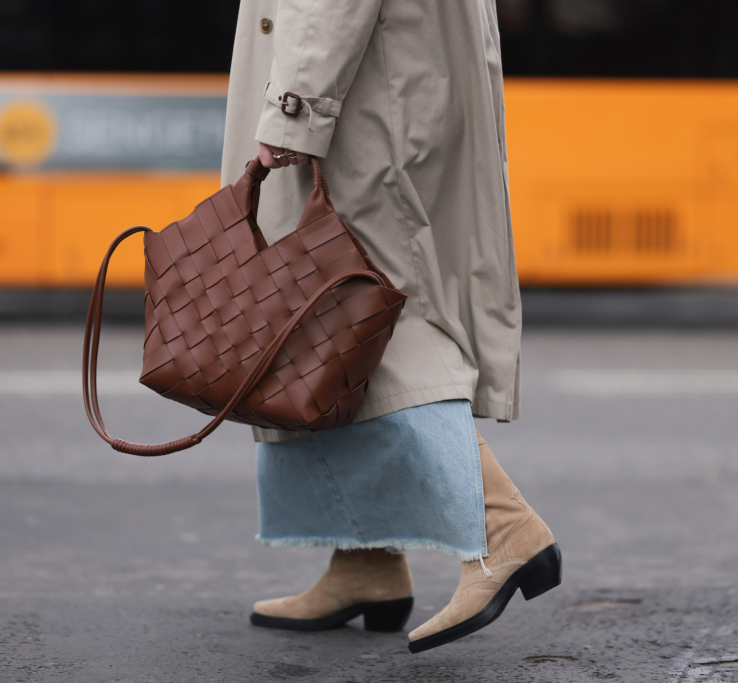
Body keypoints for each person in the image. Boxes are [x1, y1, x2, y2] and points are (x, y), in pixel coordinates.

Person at [220, 0, 560, 653]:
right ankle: (366, 559)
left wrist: (296, 101)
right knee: (321, 328)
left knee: (370, 325)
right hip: (384, 77)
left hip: (362, 100)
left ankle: (503, 528)